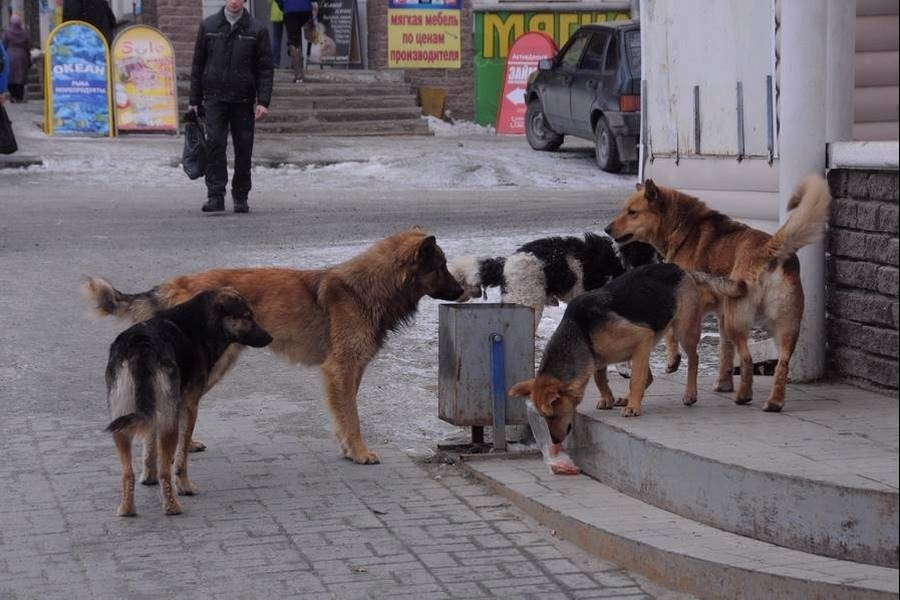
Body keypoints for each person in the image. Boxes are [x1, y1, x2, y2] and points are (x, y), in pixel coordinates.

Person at [189, 0, 273, 214]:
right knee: (215, 144)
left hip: (243, 98)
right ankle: (215, 195)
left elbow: (265, 68)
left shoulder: (257, 29)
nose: (234, 1)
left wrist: (263, 101)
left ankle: (241, 195)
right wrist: (194, 100)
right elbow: (198, 64)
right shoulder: (208, 26)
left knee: (243, 148)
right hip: (214, 97)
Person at [276, 0, 317, 83]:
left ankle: (298, 75)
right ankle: (308, 63)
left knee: (293, 40)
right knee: (309, 37)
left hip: (289, 8)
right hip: (306, 8)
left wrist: (282, 5)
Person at [1, 15, 32, 103]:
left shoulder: (7, 33)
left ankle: (13, 96)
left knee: (10, 77)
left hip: (10, 56)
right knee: (21, 78)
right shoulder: (25, 33)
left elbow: (3, 44)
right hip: (22, 57)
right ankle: (19, 97)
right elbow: (28, 45)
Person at [268, 0, 284, 68]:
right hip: (289, 11)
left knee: (276, 39)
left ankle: (275, 62)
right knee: (292, 38)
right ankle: (295, 62)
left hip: (276, 13)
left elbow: (269, 1)